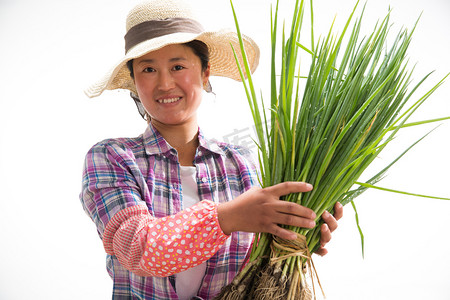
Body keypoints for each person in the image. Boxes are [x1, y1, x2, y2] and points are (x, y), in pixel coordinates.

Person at [80, 0, 343, 299]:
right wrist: (229, 217)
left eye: (178, 66)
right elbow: (140, 248)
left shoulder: (242, 163)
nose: (165, 83)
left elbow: (262, 261)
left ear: (205, 73)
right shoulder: (111, 158)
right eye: (149, 69)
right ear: (135, 83)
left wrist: (302, 231)